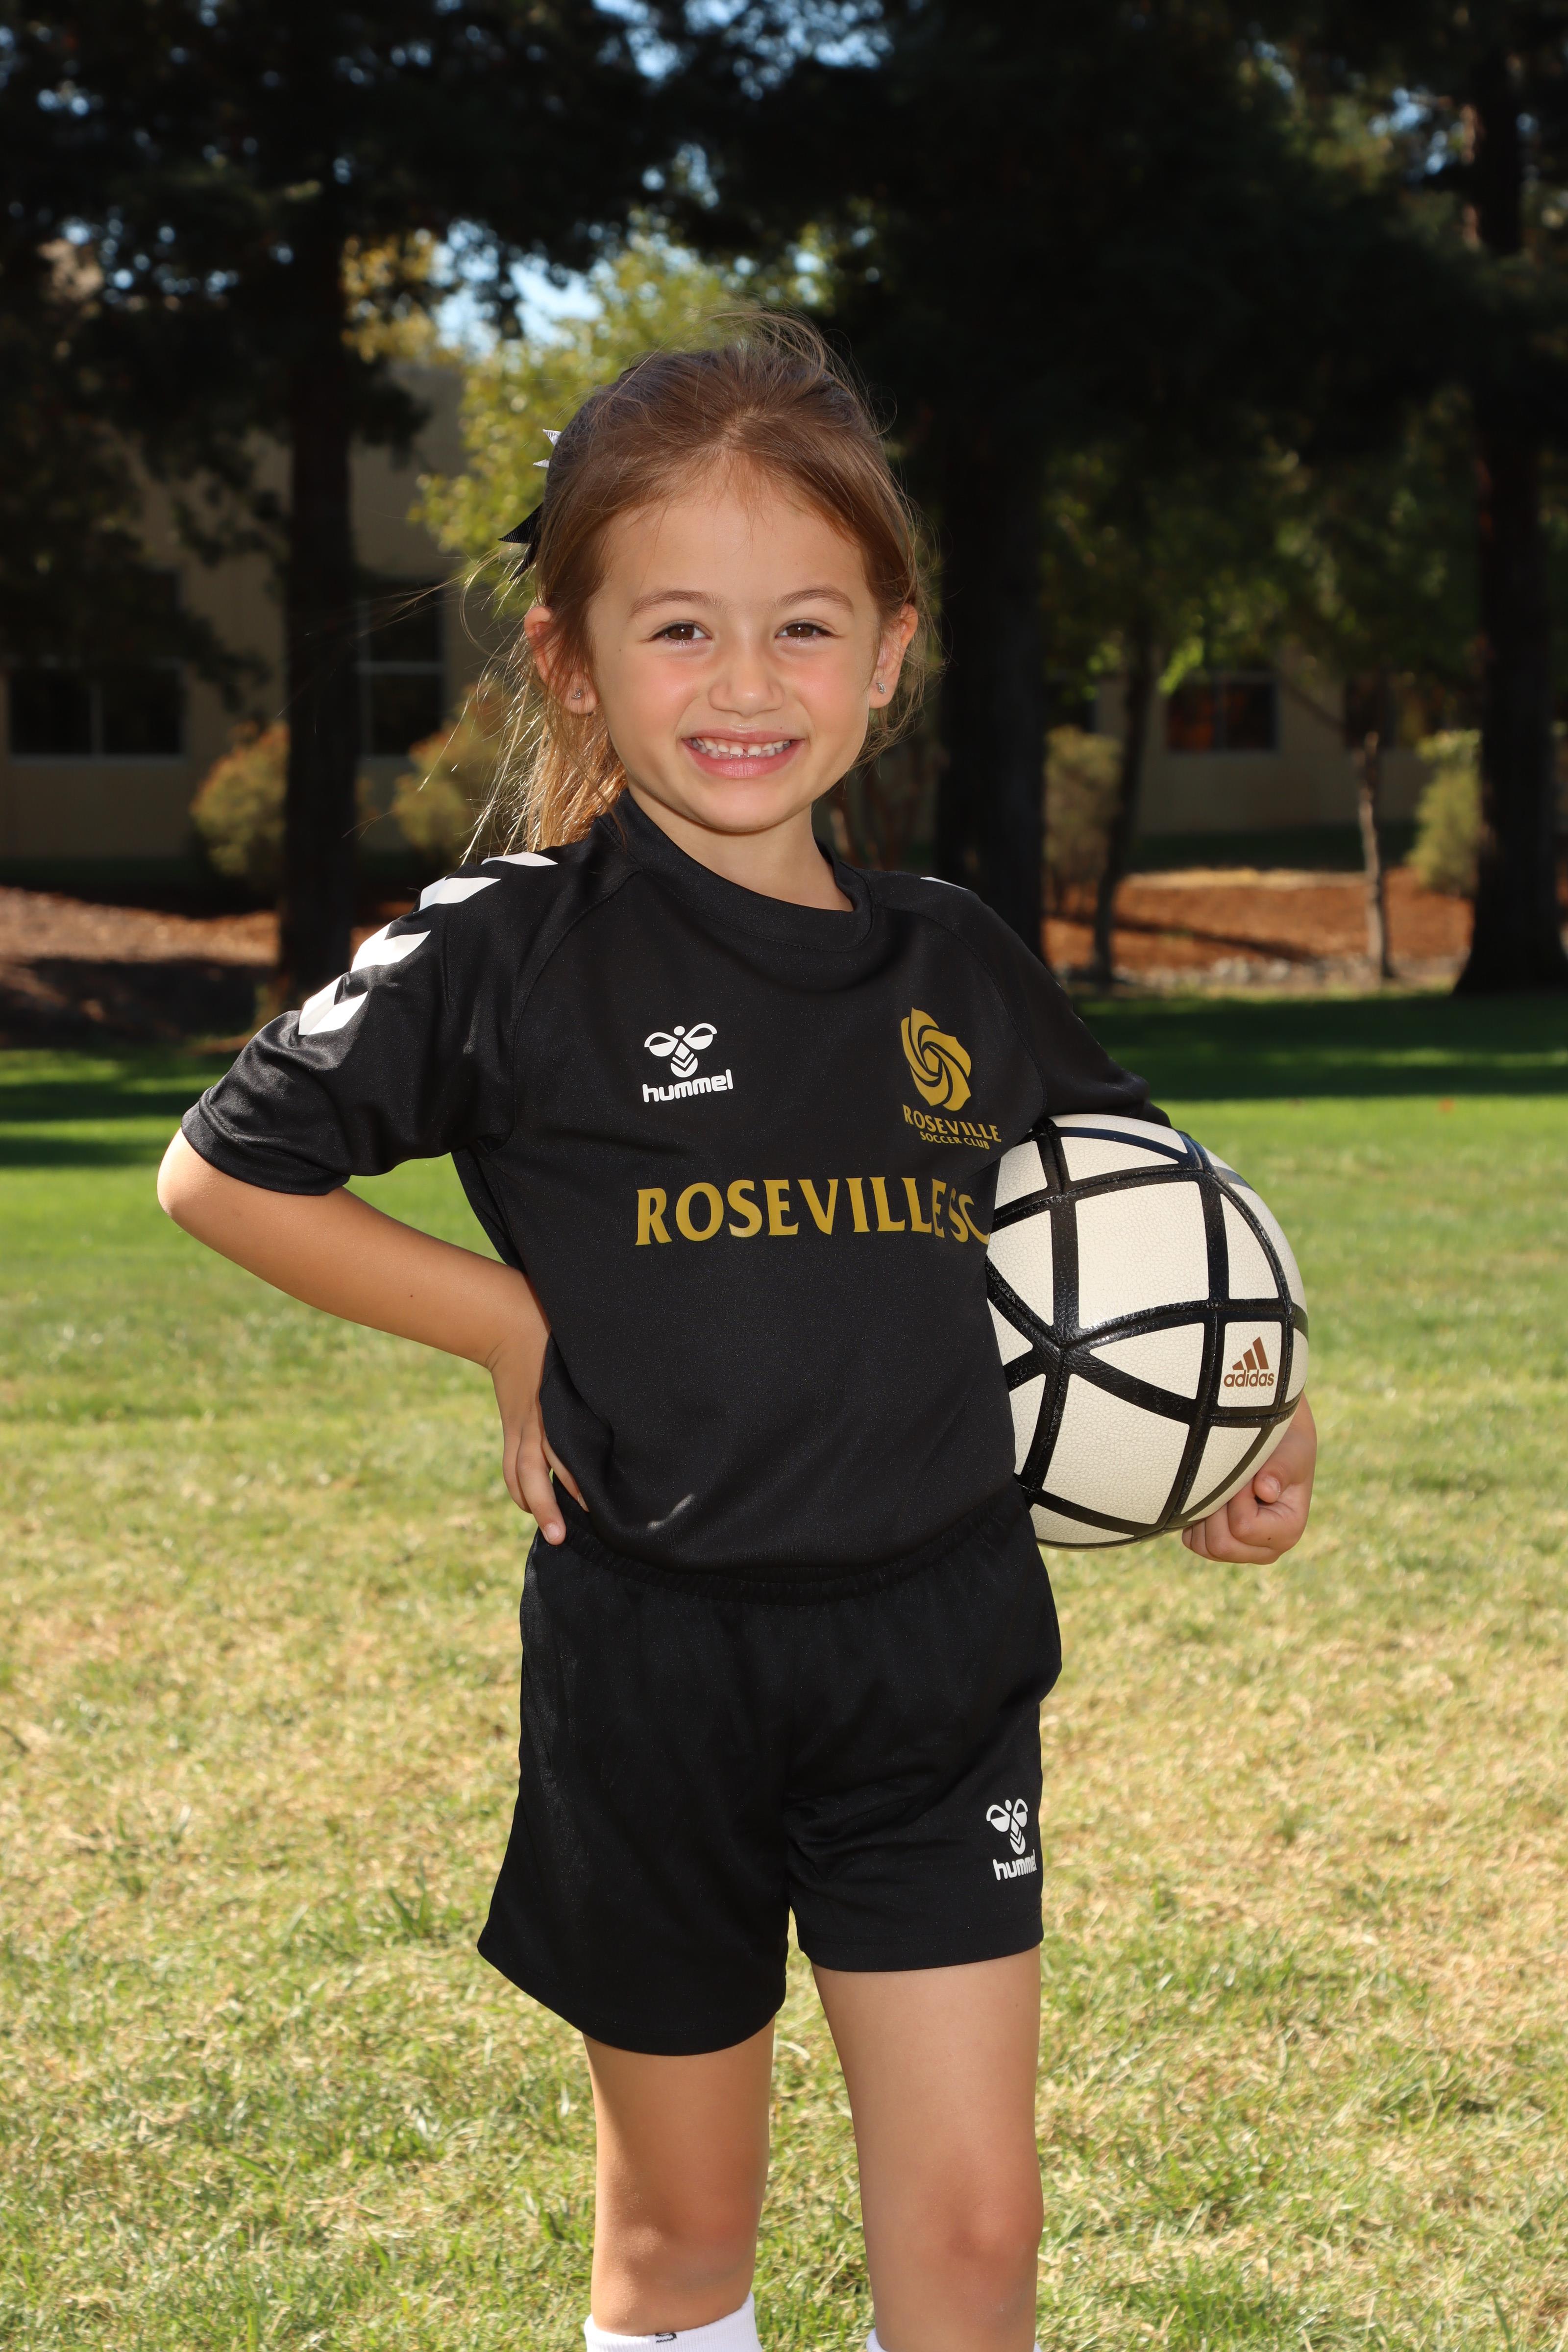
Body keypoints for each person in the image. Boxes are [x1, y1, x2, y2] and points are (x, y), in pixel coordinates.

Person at [157, 318, 1317, 2352]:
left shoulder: (954, 959)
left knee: (974, 2242)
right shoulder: (507, 947)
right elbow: (223, 1172)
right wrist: (505, 1320)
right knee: (685, 2242)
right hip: (653, 1664)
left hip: (935, 1664)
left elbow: (1150, 1222)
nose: (746, 683)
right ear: (569, 656)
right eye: (679, 629)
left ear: (888, 652)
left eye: (803, 627)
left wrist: (1256, 1409)